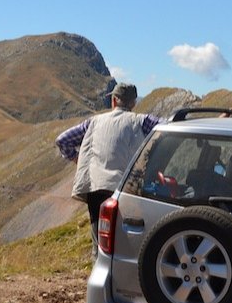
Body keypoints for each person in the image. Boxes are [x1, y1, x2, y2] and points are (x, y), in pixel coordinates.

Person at [55, 83, 160, 241]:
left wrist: (77, 158)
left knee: (100, 240)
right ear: (133, 103)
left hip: (96, 188)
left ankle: (99, 263)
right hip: (125, 190)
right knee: (123, 241)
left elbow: (62, 140)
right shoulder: (142, 121)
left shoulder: (93, 122)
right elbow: (168, 127)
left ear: (114, 100)